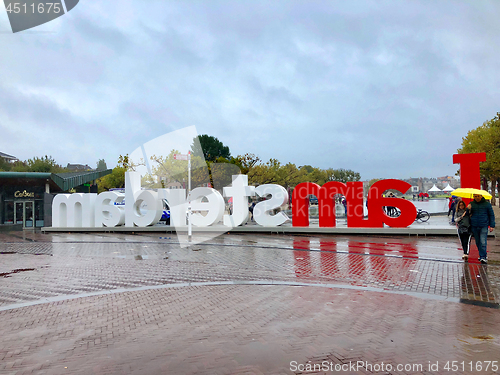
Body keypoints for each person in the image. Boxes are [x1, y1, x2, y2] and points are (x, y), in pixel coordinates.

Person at [467, 194, 495, 264]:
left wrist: (492, 225)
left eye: (478, 196)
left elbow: (491, 215)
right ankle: (482, 254)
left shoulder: (487, 204)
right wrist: (468, 209)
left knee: (483, 241)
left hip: (484, 225)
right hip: (474, 225)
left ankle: (483, 256)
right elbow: (467, 215)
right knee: (478, 242)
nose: (477, 198)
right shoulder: (471, 204)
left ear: (481, 196)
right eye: (475, 196)